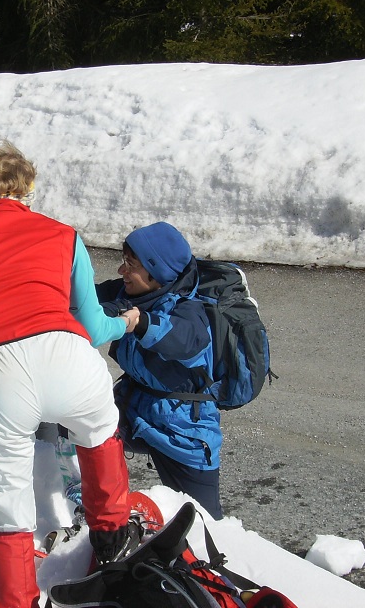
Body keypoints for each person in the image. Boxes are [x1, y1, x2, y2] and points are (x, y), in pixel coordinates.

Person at [0, 142, 142, 608]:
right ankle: (113, 536)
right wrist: (127, 322)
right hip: (68, 355)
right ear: (28, 187)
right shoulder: (63, 234)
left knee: (6, 508)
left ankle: (16, 599)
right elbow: (94, 326)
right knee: (98, 433)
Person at [96, 222, 224, 519]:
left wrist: (141, 324)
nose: (121, 271)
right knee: (69, 417)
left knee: (205, 523)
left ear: (158, 272)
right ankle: (77, 494)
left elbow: (183, 340)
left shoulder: (190, 311)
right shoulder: (130, 292)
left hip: (183, 431)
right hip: (134, 409)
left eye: (131, 264)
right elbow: (84, 297)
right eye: (123, 260)